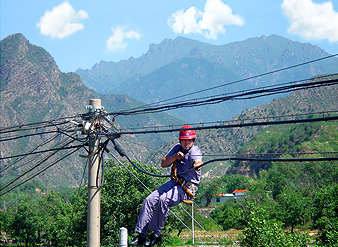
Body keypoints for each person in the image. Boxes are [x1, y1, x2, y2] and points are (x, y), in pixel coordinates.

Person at [128, 125, 203, 246]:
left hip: (187, 187)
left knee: (164, 199)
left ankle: (156, 234)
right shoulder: (177, 148)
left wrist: (197, 165)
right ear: (180, 140)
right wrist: (175, 157)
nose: (186, 142)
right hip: (175, 182)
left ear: (193, 141)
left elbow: (198, 161)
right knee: (149, 199)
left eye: (189, 140)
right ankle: (141, 235)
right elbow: (164, 163)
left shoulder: (195, 151)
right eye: (184, 140)